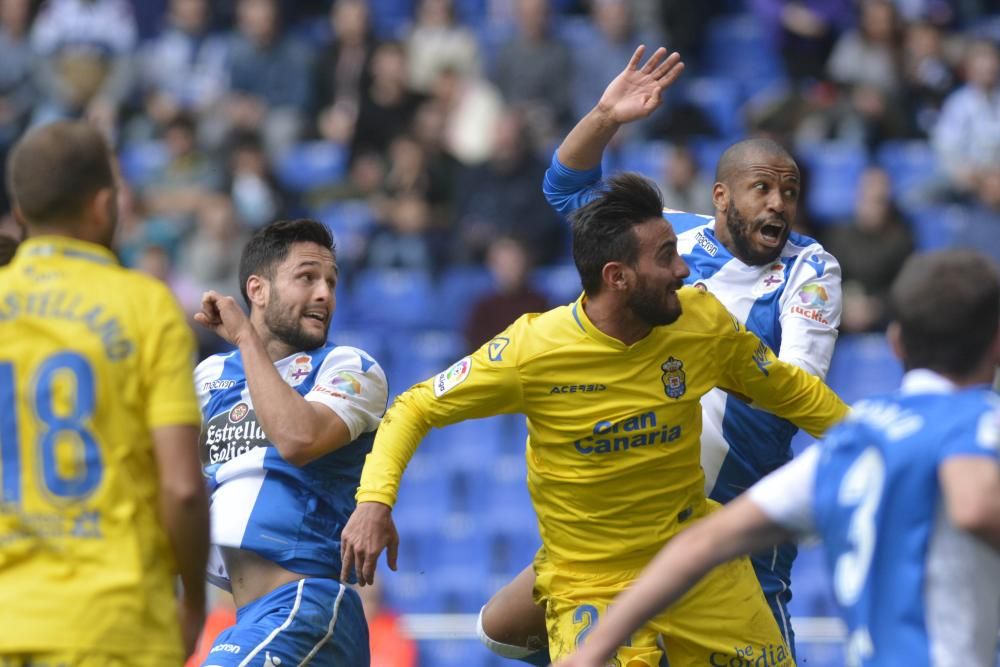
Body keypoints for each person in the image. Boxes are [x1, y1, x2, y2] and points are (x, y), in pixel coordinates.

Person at [340, 165, 849, 664]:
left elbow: (796, 395)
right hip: (593, 583)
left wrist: (883, 443)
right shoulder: (533, 350)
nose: (684, 270)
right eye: (666, 257)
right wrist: (373, 503)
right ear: (618, 278)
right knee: (503, 632)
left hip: (696, 563)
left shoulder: (702, 323)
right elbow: (413, 407)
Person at [479, 45, 844, 663]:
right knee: (500, 627)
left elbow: (794, 385)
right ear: (721, 196)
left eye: (790, 191)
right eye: (762, 189)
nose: (779, 204)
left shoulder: (810, 270)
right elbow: (564, 187)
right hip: (632, 513)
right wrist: (605, 115)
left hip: (734, 510)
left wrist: (688, 346)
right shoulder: (668, 237)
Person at [554, 249, 1000, 667]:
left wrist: (592, 652)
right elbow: (974, 505)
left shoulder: (857, 439)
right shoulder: (978, 420)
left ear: (896, 342)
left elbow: (699, 544)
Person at [0, 120, 209, 663]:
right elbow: (183, 488)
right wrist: (192, 601)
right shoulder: (146, 306)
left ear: (21, 213)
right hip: (116, 623)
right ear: (102, 206)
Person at [193, 218, 388, 666]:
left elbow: (299, 439)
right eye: (307, 277)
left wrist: (245, 338)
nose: (324, 293)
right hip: (247, 615)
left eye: (331, 282)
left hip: (306, 604)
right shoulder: (210, 377)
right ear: (257, 290)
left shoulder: (349, 367)